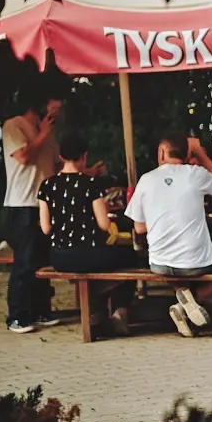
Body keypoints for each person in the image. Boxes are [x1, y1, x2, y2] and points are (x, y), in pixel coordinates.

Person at [124, 133, 212, 337]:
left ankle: (184, 301)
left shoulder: (146, 180)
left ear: (161, 153)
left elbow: (139, 228)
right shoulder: (195, 174)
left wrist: (163, 220)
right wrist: (199, 151)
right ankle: (191, 302)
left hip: (158, 262)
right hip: (196, 261)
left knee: (176, 267)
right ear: (187, 154)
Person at [38, 135, 137, 336]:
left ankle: (97, 313)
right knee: (132, 258)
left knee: (97, 270)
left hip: (59, 257)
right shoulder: (91, 184)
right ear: (84, 157)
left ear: (60, 156)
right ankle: (118, 311)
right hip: (89, 254)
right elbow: (104, 224)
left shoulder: (47, 185)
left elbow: (46, 228)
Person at [3, 89, 63, 333]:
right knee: (25, 262)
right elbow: (24, 157)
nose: (54, 113)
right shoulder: (13, 126)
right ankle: (16, 315)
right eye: (51, 108)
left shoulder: (47, 132)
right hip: (23, 203)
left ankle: (40, 310)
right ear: (37, 106)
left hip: (45, 204)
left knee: (42, 261)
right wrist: (43, 134)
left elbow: (56, 164)